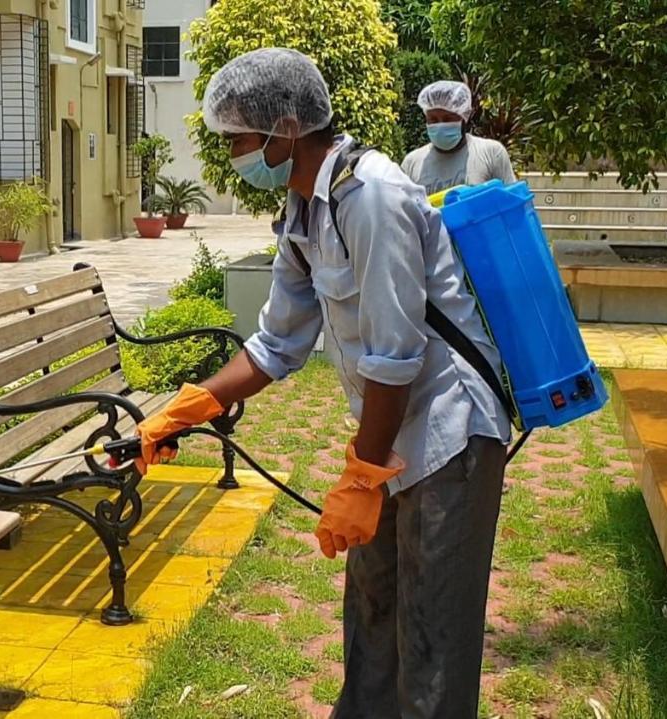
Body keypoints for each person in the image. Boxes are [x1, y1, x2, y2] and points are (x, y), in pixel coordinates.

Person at [133, 48, 511, 718]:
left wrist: (362, 477)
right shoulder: (306, 209)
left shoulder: (376, 196)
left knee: (431, 645)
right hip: (393, 440)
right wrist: (185, 410)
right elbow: (276, 342)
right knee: (372, 620)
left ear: (284, 128)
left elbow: (396, 353)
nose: (233, 155)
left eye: (239, 139)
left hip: (450, 436)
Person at [401, 80, 516, 195]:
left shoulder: (492, 153)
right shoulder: (411, 163)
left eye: (448, 119)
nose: (440, 125)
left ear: (463, 117)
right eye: (433, 120)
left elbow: (514, 203)